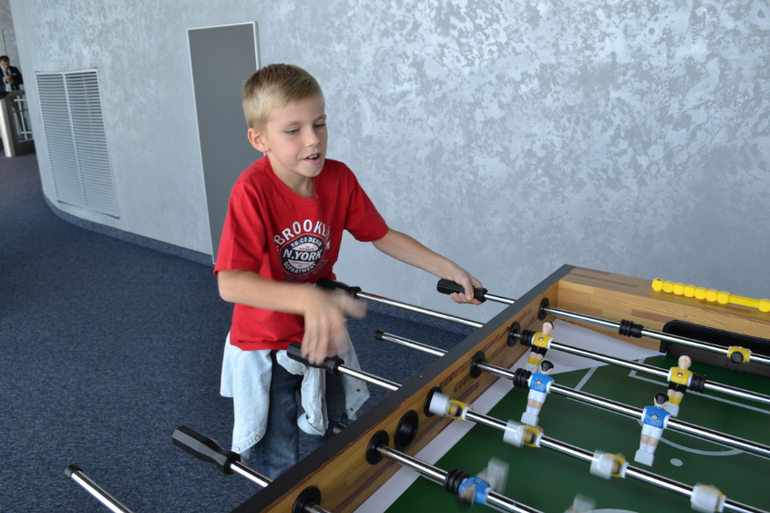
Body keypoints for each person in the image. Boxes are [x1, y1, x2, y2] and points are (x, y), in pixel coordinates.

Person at [214, 64, 483, 479]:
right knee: (278, 463)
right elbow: (231, 283)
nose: (313, 139)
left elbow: (381, 235)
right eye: (294, 130)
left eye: (319, 124)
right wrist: (308, 297)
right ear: (259, 139)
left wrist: (448, 267)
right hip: (265, 344)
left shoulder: (338, 178)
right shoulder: (251, 191)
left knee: (340, 440)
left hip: (322, 334)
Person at [634, 392, 671, 466]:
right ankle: (649, 454)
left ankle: (642, 451)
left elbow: (643, 418)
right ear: (666, 403)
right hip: (657, 429)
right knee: (653, 440)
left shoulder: (647, 408)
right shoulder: (666, 414)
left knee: (644, 438)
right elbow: (665, 424)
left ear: (654, 399)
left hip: (647, 426)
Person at [520, 359, 554, 426]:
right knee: (537, 405)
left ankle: (528, 417)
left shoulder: (533, 375)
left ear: (540, 367)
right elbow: (548, 389)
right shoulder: (550, 380)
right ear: (550, 370)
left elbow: (529, 383)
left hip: (533, 392)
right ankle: (532, 417)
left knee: (530, 403)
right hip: (541, 394)